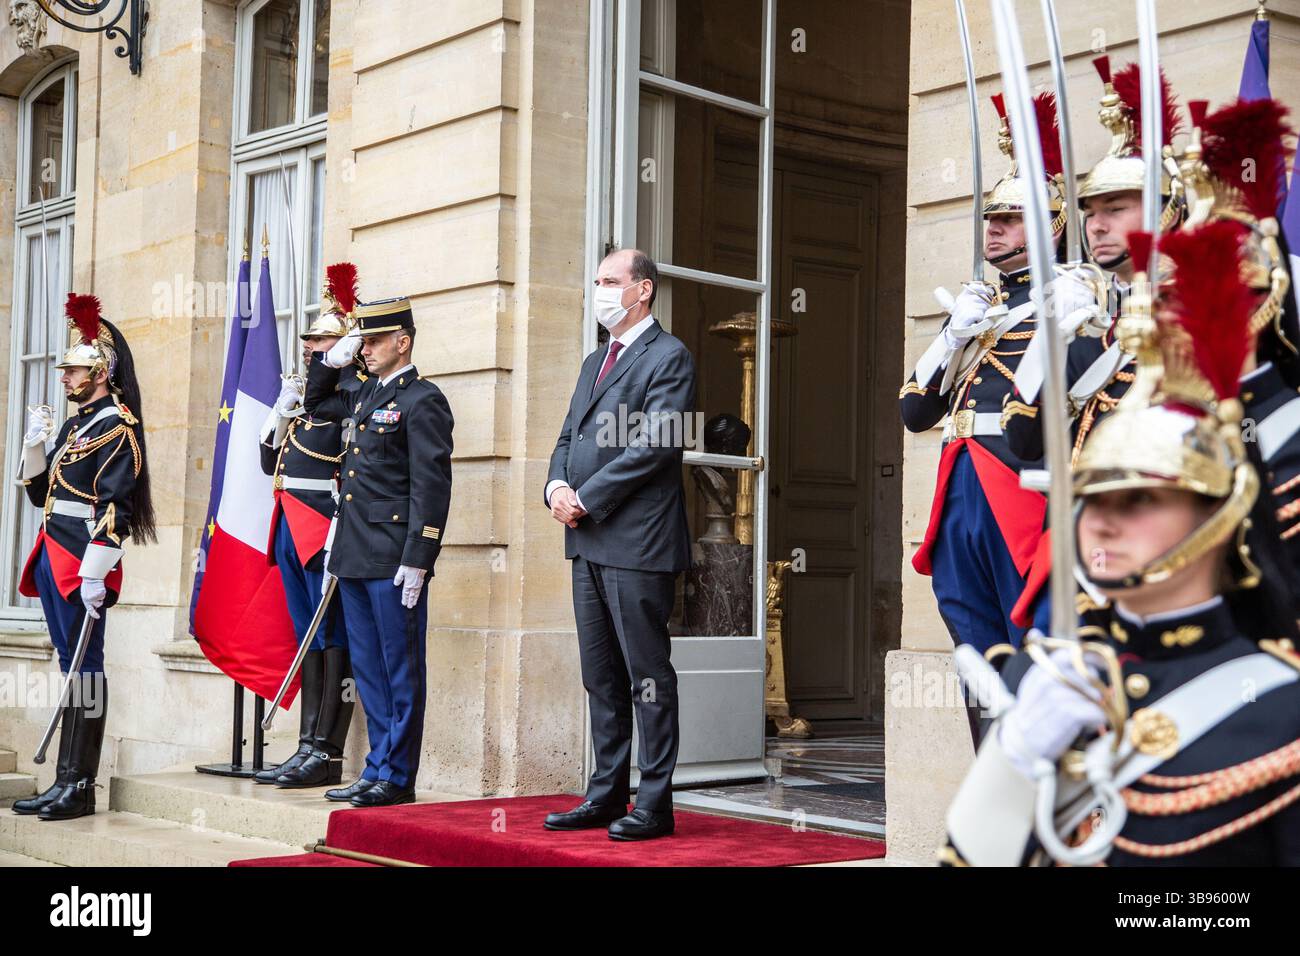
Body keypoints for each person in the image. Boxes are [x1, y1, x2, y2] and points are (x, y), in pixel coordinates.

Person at [941, 220, 1300, 866]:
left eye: (1138, 500)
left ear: (1216, 518)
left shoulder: (1279, 713)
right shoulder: (1048, 678)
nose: (1102, 524)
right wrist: (1012, 767)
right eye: (1094, 500)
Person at [901, 91, 1087, 655]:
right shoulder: (977, 307)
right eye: (991, 220)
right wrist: (953, 336)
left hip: (1019, 483)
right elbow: (914, 412)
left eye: (1009, 220)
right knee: (972, 645)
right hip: (958, 488)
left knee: (1029, 641)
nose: (993, 231)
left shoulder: (1069, 302)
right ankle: (992, 748)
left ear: (1051, 225)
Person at [541, 248, 695, 841]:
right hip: (587, 543)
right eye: (597, 281)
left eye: (610, 281)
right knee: (599, 675)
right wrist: (556, 485)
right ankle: (605, 794)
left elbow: (656, 445)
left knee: (646, 676)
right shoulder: (594, 361)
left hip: (638, 544)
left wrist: (586, 497)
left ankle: (654, 803)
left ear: (643, 291)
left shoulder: (669, 356)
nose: (600, 290)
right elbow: (565, 436)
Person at [302, 295, 453, 807]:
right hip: (354, 555)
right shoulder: (365, 396)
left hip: (393, 558)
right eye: (360, 341)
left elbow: (430, 488)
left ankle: (398, 775)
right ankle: (375, 769)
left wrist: (419, 557)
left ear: (401, 342)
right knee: (368, 668)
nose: (363, 349)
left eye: (371, 340)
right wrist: (331, 360)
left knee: (400, 668)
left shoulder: (422, 399)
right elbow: (316, 403)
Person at [11, 295, 155, 821]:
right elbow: (38, 493)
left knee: (86, 669)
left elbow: (119, 504)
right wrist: (33, 447)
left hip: (82, 559)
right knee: (70, 665)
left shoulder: (118, 426)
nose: (65, 378)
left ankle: (80, 783)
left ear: (99, 373)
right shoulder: (76, 427)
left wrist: (97, 572)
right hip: (53, 550)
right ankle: (63, 778)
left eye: (74, 370)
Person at [253, 263, 366, 788]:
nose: (310, 347)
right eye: (310, 339)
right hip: (289, 526)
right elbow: (267, 463)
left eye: (322, 340)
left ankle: (328, 749)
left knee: (334, 634)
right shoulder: (307, 403)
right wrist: (280, 413)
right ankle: (305, 744)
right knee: (309, 637)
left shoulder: (352, 398)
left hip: (323, 526)